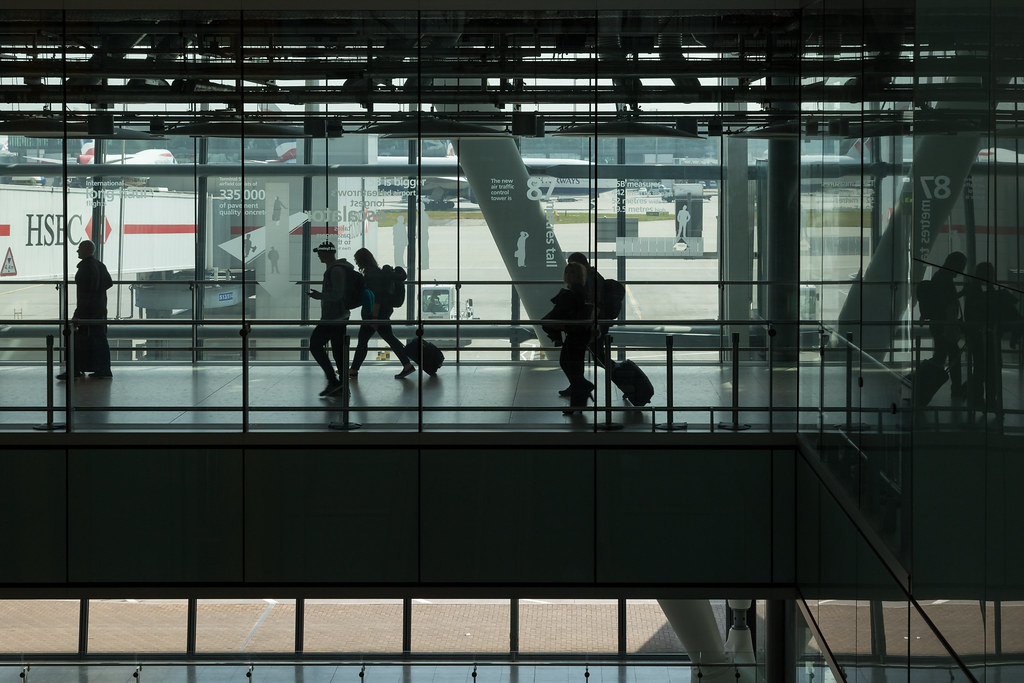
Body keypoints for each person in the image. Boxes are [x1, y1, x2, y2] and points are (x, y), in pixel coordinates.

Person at [962, 261, 1022, 420]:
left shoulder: (973, 294)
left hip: (979, 338)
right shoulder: (993, 295)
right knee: (991, 370)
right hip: (989, 338)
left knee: (980, 369)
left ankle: (977, 399)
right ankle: (989, 401)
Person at [348, 247, 416, 380]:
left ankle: (354, 370)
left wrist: (374, 317)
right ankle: (407, 365)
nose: (356, 263)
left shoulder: (372, 274)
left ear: (363, 260)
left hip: (376, 314)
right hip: (380, 313)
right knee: (387, 339)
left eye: (357, 260)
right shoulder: (374, 272)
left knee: (365, 341)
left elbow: (376, 296)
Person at [543, 261, 594, 415]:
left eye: (572, 273)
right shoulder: (581, 290)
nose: (569, 275)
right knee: (574, 366)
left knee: (568, 364)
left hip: (576, 334)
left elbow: (566, 312)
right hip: (580, 333)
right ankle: (578, 402)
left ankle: (583, 390)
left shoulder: (573, 292)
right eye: (568, 272)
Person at [58, 239, 113, 380]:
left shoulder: (85, 269)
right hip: (100, 310)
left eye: (79, 249)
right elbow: (108, 283)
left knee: (78, 341)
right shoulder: (100, 265)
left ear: (86, 251)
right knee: (100, 339)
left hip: (88, 312)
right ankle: (103, 369)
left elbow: (85, 294)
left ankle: (76, 369)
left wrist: (77, 314)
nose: (77, 251)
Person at [307, 240, 352, 397]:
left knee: (315, 344)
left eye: (320, 252)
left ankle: (334, 382)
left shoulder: (335, 271)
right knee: (338, 351)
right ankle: (341, 385)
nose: (318, 255)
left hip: (334, 317)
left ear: (327, 253)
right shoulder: (337, 269)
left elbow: (337, 295)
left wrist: (319, 296)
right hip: (340, 316)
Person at [927, 251, 967, 401]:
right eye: (961, 266)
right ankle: (953, 388)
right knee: (950, 356)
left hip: (940, 324)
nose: (961, 270)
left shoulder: (940, 276)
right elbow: (946, 300)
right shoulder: (944, 279)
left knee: (942, 356)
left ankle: (926, 385)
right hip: (943, 325)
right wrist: (962, 293)